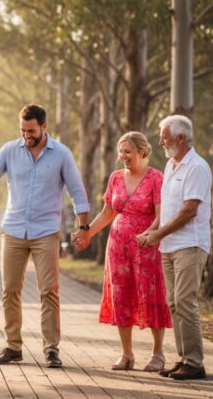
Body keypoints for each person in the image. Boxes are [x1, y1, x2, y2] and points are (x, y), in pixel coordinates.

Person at [0, 104, 91, 369]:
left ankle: (51, 349)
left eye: (31, 130)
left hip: (46, 231)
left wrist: (84, 226)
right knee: (10, 290)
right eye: (22, 130)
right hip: (14, 230)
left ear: (44, 126)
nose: (26, 135)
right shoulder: (10, 150)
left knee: (49, 291)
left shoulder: (61, 154)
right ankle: (13, 346)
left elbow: (77, 191)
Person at [78, 132, 171, 372]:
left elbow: (161, 215)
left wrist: (149, 234)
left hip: (146, 248)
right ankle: (127, 354)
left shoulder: (155, 178)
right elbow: (108, 212)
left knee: (151, 295)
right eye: (121, 152)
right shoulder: (116, 178)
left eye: (127, 151)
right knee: (121, 297)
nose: (123, 156)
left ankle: (158, 354)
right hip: (117, 249)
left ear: (142, 151)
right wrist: (87, 232)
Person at [136, 115, 211, 380]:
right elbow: (166, 210)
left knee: (184, 300)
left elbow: (189, 211)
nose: (160, 141)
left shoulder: (197, 168)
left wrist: (157, 234)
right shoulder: (171, 165)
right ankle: (183, 359)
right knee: (173, 303)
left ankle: (195, 362)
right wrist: (152, 229)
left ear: (180, 138)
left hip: (190, 244)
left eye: (164, 136)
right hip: (168, 245)